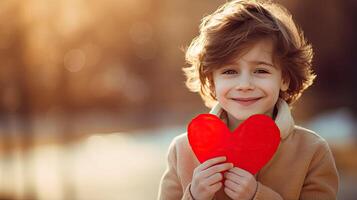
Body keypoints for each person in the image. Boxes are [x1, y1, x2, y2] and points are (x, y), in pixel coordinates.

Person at [157, 0, 339, 199]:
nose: (244, 84)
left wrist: (257, 195)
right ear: (211, 81)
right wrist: (193, 195)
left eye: (261, 70)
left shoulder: (312, 151)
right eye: (230, 71)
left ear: (284, 79)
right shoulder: (182, 151)